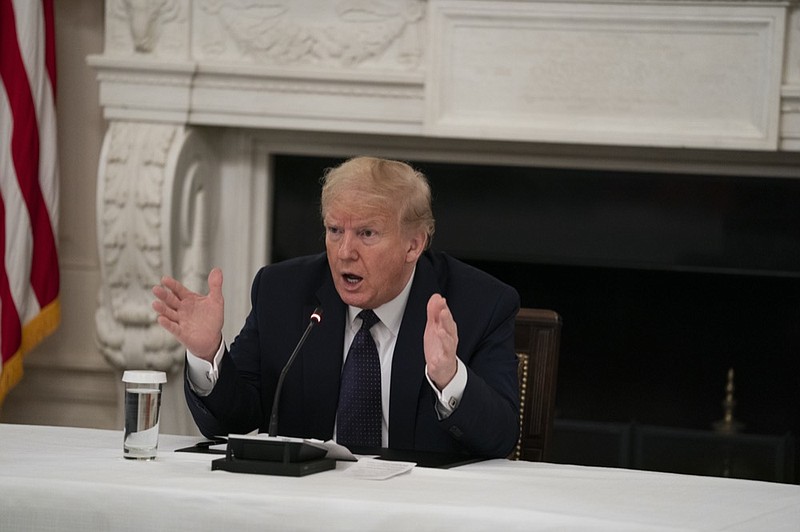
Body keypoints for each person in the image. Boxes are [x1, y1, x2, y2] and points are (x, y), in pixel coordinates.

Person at [152, 156, 520, 458]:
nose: (344, 253)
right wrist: (207, 354)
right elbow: (231, 421)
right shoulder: (283, 291)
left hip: (419, 512)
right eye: (334, 231)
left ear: (414, 245)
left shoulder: (480, 304)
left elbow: (500, 438)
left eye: (367, 234)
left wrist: (448, 376)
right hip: (306, 505)